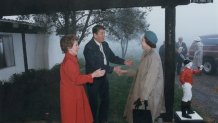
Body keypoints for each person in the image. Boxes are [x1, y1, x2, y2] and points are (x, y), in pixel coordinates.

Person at [83, 25, 133, 123]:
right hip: (92, 79)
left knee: (105, 101)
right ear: (95, 35)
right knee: (93, 104)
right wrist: (113, 68)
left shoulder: (105, 44)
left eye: (104, 33)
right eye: (101, 33)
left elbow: (112, 57)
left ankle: (103, 121)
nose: (104, 35)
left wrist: (124, 62)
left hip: (103, 77)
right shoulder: (88, 48)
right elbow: (97, 65)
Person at [60, 34, 106, 123]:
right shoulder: (69, 62)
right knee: (74, 118)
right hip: (71, 96)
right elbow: (77, 79)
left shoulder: (70, 58)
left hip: (74, 93)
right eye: (76, 45)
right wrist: (93, 75)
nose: (78, 47)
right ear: (69, 47)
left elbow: (75, 77)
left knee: (78, 117)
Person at [124, 30, 165, 123]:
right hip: (141, 90)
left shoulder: (153, 57)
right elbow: (140, 72)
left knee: (143, 117)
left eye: (142, 41)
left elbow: (150, 80)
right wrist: (125, 72)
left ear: (147, 42)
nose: (141, 43)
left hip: (148, 95)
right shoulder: (146, 54)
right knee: (137, 116)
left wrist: (143, 98)